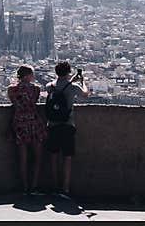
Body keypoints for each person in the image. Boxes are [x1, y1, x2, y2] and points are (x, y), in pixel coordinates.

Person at [44, 60, 89, 199]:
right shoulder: (73, 87)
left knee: (53, 157)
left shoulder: (49, 86)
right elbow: (85, 94)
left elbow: (58, 85)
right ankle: (65, 188)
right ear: (69, 72)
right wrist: (82, 81)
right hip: (67, 125)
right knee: (67, 158)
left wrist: (69, 80)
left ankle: (54, 186)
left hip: (52, 125)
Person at [7, 65, 46, 194]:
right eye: (31, 75)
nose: (33, 77)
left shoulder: (11, 90)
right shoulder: (36, 89)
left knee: (22, 158)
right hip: (34, 123)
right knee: (37, 157)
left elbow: (14, 104)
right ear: (27, 76)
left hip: (19, 123)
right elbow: (34, 102)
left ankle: (24, 187)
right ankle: (34, 186)